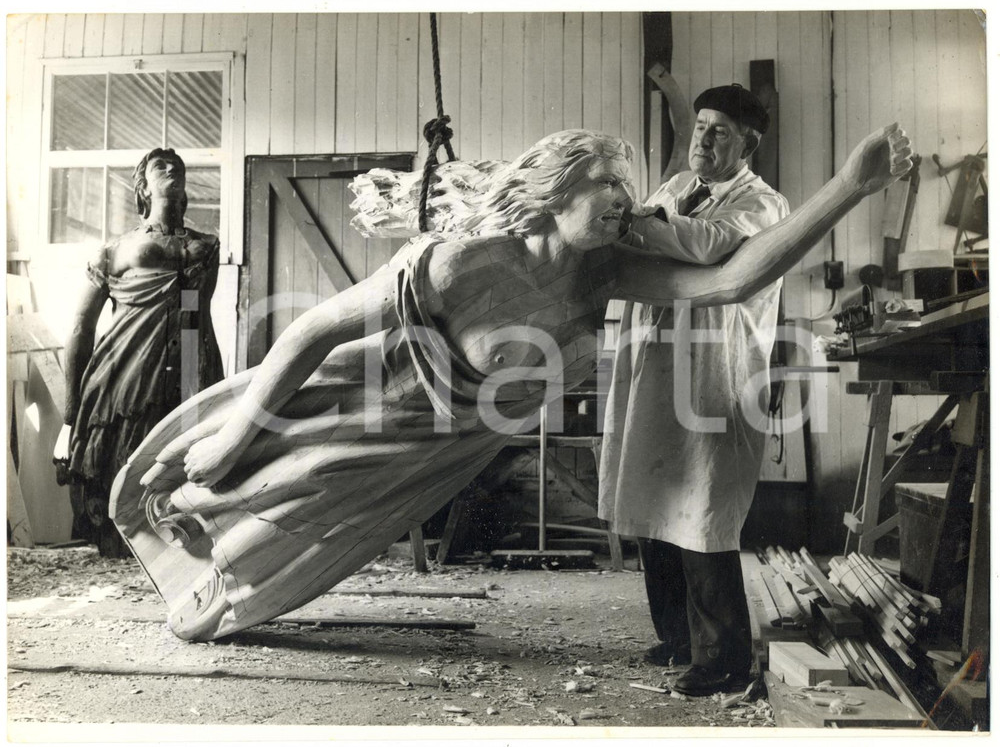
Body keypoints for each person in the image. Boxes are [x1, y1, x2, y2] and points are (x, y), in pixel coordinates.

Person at [110, 125, 911, 642]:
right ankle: (187, 519)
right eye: (609, 187)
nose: (626, 207)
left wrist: (850, 184)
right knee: (266, 479)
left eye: (630, 195)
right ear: (558, 187)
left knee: (302, 544)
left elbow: (734, 280)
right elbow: (314, 329)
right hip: (369, 402)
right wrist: (236, 431)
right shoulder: (466, 259)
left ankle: (224, 584)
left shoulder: (606, 278)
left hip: (438, 452)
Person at [598, 84, 791, 695]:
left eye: (720, 133)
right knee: (654, 502)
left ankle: (723, 659)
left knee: (704, 513)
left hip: (714, 373)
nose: (703, 140)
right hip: (655, 363)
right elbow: (637, 237)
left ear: (749, 144)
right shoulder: (676, 189)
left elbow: (704, 244)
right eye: (700, 127)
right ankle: (679, 637)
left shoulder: (764, 204)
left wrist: (639, 224)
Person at [53, 148, 224, 557]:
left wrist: (199, 383)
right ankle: (118, 543)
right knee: (117, 453)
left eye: (178, 166)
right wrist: (69, 417)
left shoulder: (206, 248)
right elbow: (81, 327)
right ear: (143, 185)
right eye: (160, 166)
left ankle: (177, 547)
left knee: (183, 451)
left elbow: (193, 316)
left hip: (184, 361)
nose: (172, 170)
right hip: (122, 367)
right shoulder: (114, 251)